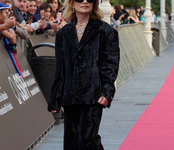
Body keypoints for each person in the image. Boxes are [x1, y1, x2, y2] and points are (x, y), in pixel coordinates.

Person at [48, 0, 120, 149]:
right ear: (72, 3)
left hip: (93, 94)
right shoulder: (63, 33)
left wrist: (107, 91)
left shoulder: (105, 31)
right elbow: (60, 68)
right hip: (70, 95)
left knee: (87, 140)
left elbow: (110, 64)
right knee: (71, 142)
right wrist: (55, 97)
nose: (85, 1)